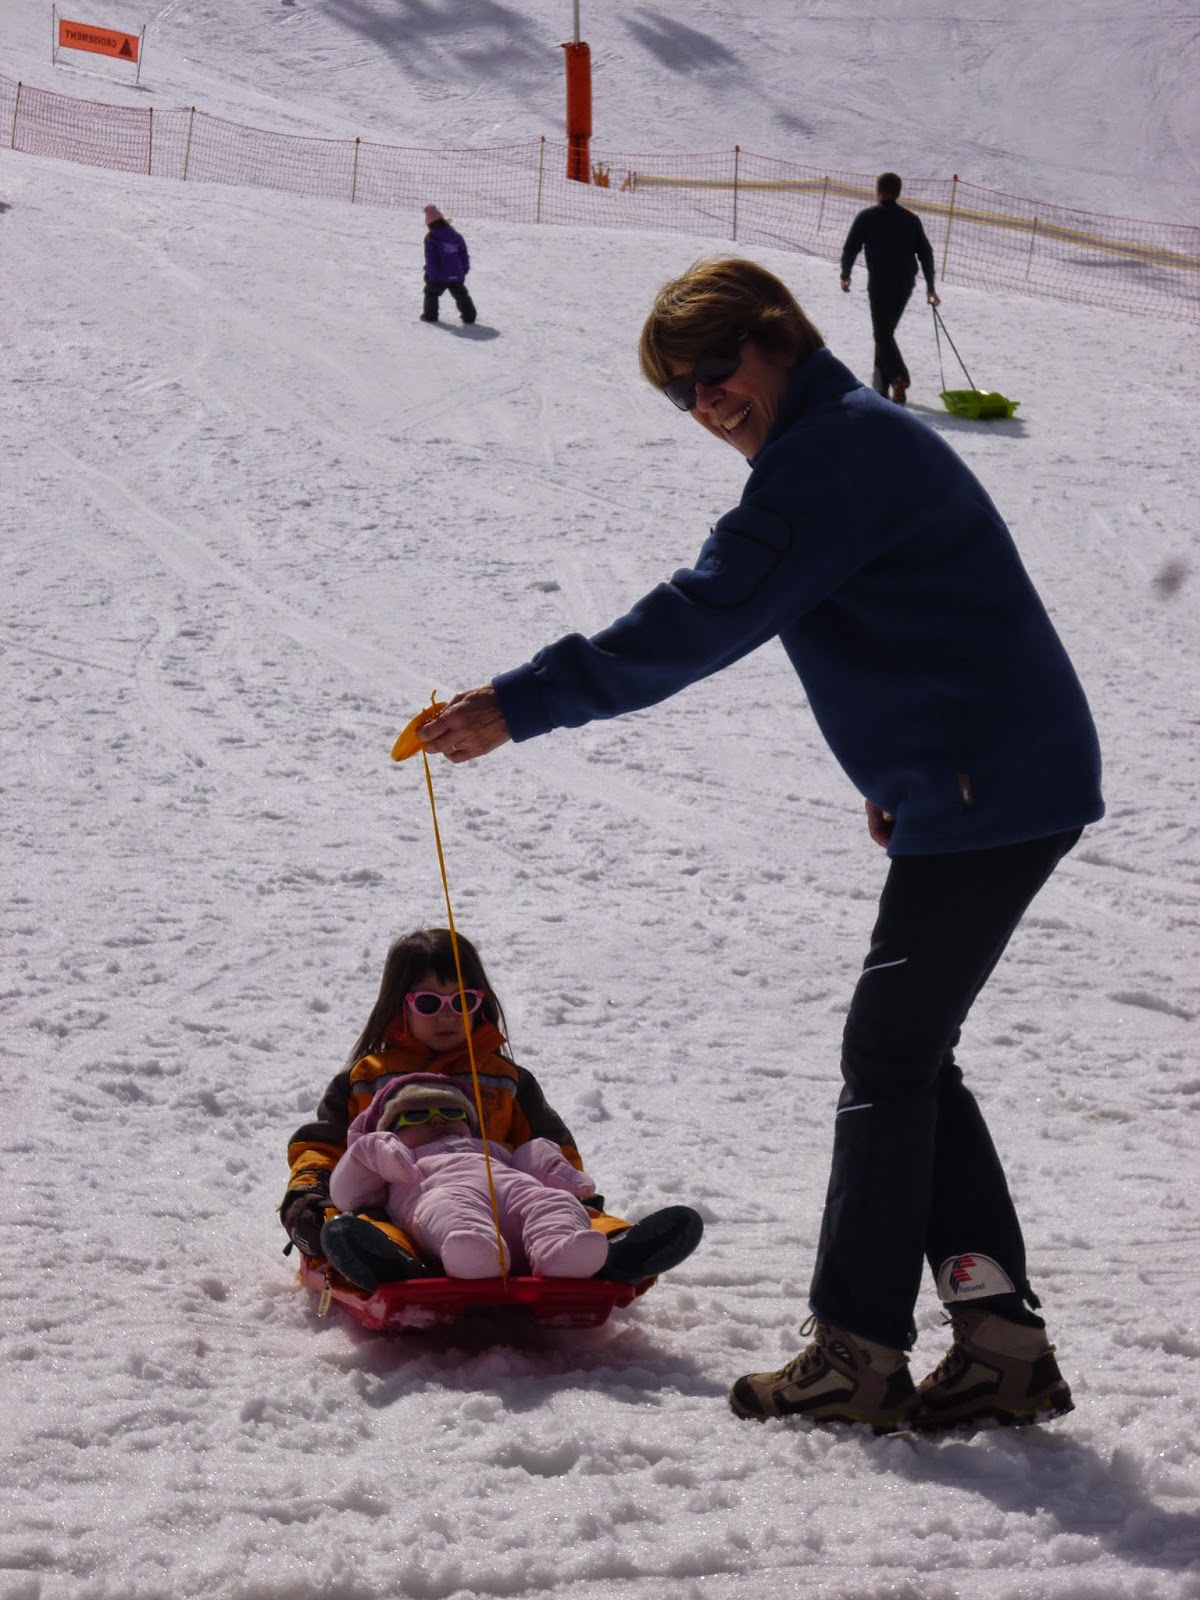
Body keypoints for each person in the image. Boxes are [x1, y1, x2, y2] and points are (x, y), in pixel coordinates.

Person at [414, 257, 1104, 1433]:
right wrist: (900, 776)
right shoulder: (842, 441)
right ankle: (999, 1342)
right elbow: (919, 617)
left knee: (889, 1059)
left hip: (991, 785)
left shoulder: (830, 454)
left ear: (777, 336)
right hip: (980, 780)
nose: (705, 402)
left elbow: (704, 616)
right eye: (678, 391)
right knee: (908, 1056)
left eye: (714, 369)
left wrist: (521, 703)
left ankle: (859, 1351)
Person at [281, 927, 702, 1291]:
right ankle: (391, 1265)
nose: (447, 1016)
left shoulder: (506, 1079)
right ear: (398, 1005)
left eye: (462, 1001)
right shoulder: (365, 1079)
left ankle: (612, 1254)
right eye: (428, 1003)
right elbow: (323, 1147)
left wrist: (574, 1189)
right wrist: (307, 1196)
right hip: (411, 1206)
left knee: (567, 1213)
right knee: (372, 1225)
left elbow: (547, 1143)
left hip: (510, 1201)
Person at [329, 1072, 610, 1279]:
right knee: (448, 1206)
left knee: (553, 1201)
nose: (437, 1119)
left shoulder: (490, 1149)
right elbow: (347, 1195)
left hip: (515, 1191)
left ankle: (560, 1252)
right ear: (392, 1131)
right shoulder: (401, 1160)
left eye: (452, 1113)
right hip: (443, 1195)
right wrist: (367, 1153)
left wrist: (550, 1164)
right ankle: (476, 1252)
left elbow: (527, 1161)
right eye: (415, 1116)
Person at [839, 171, 940, 405]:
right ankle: (880, 388)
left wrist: (845, 274)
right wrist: (930, 287)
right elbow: (926, 253)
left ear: (878, 191)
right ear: (898, 193)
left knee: (882, 334)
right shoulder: (911, 219)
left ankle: (898, 377)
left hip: (880, 282)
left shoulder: (867, 217)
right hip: (904, 284)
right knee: (885, 333)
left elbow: (851, 247)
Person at [421, 204, 476, 326]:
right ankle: (469, 316)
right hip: (457, 273)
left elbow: (431, 260)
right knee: (461, 295)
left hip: (439, 276)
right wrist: (464, 270)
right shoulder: (456, 236)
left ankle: (430, 316)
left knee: (431, 293)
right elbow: (463, 255)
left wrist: (431, 275)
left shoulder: (431, 238)